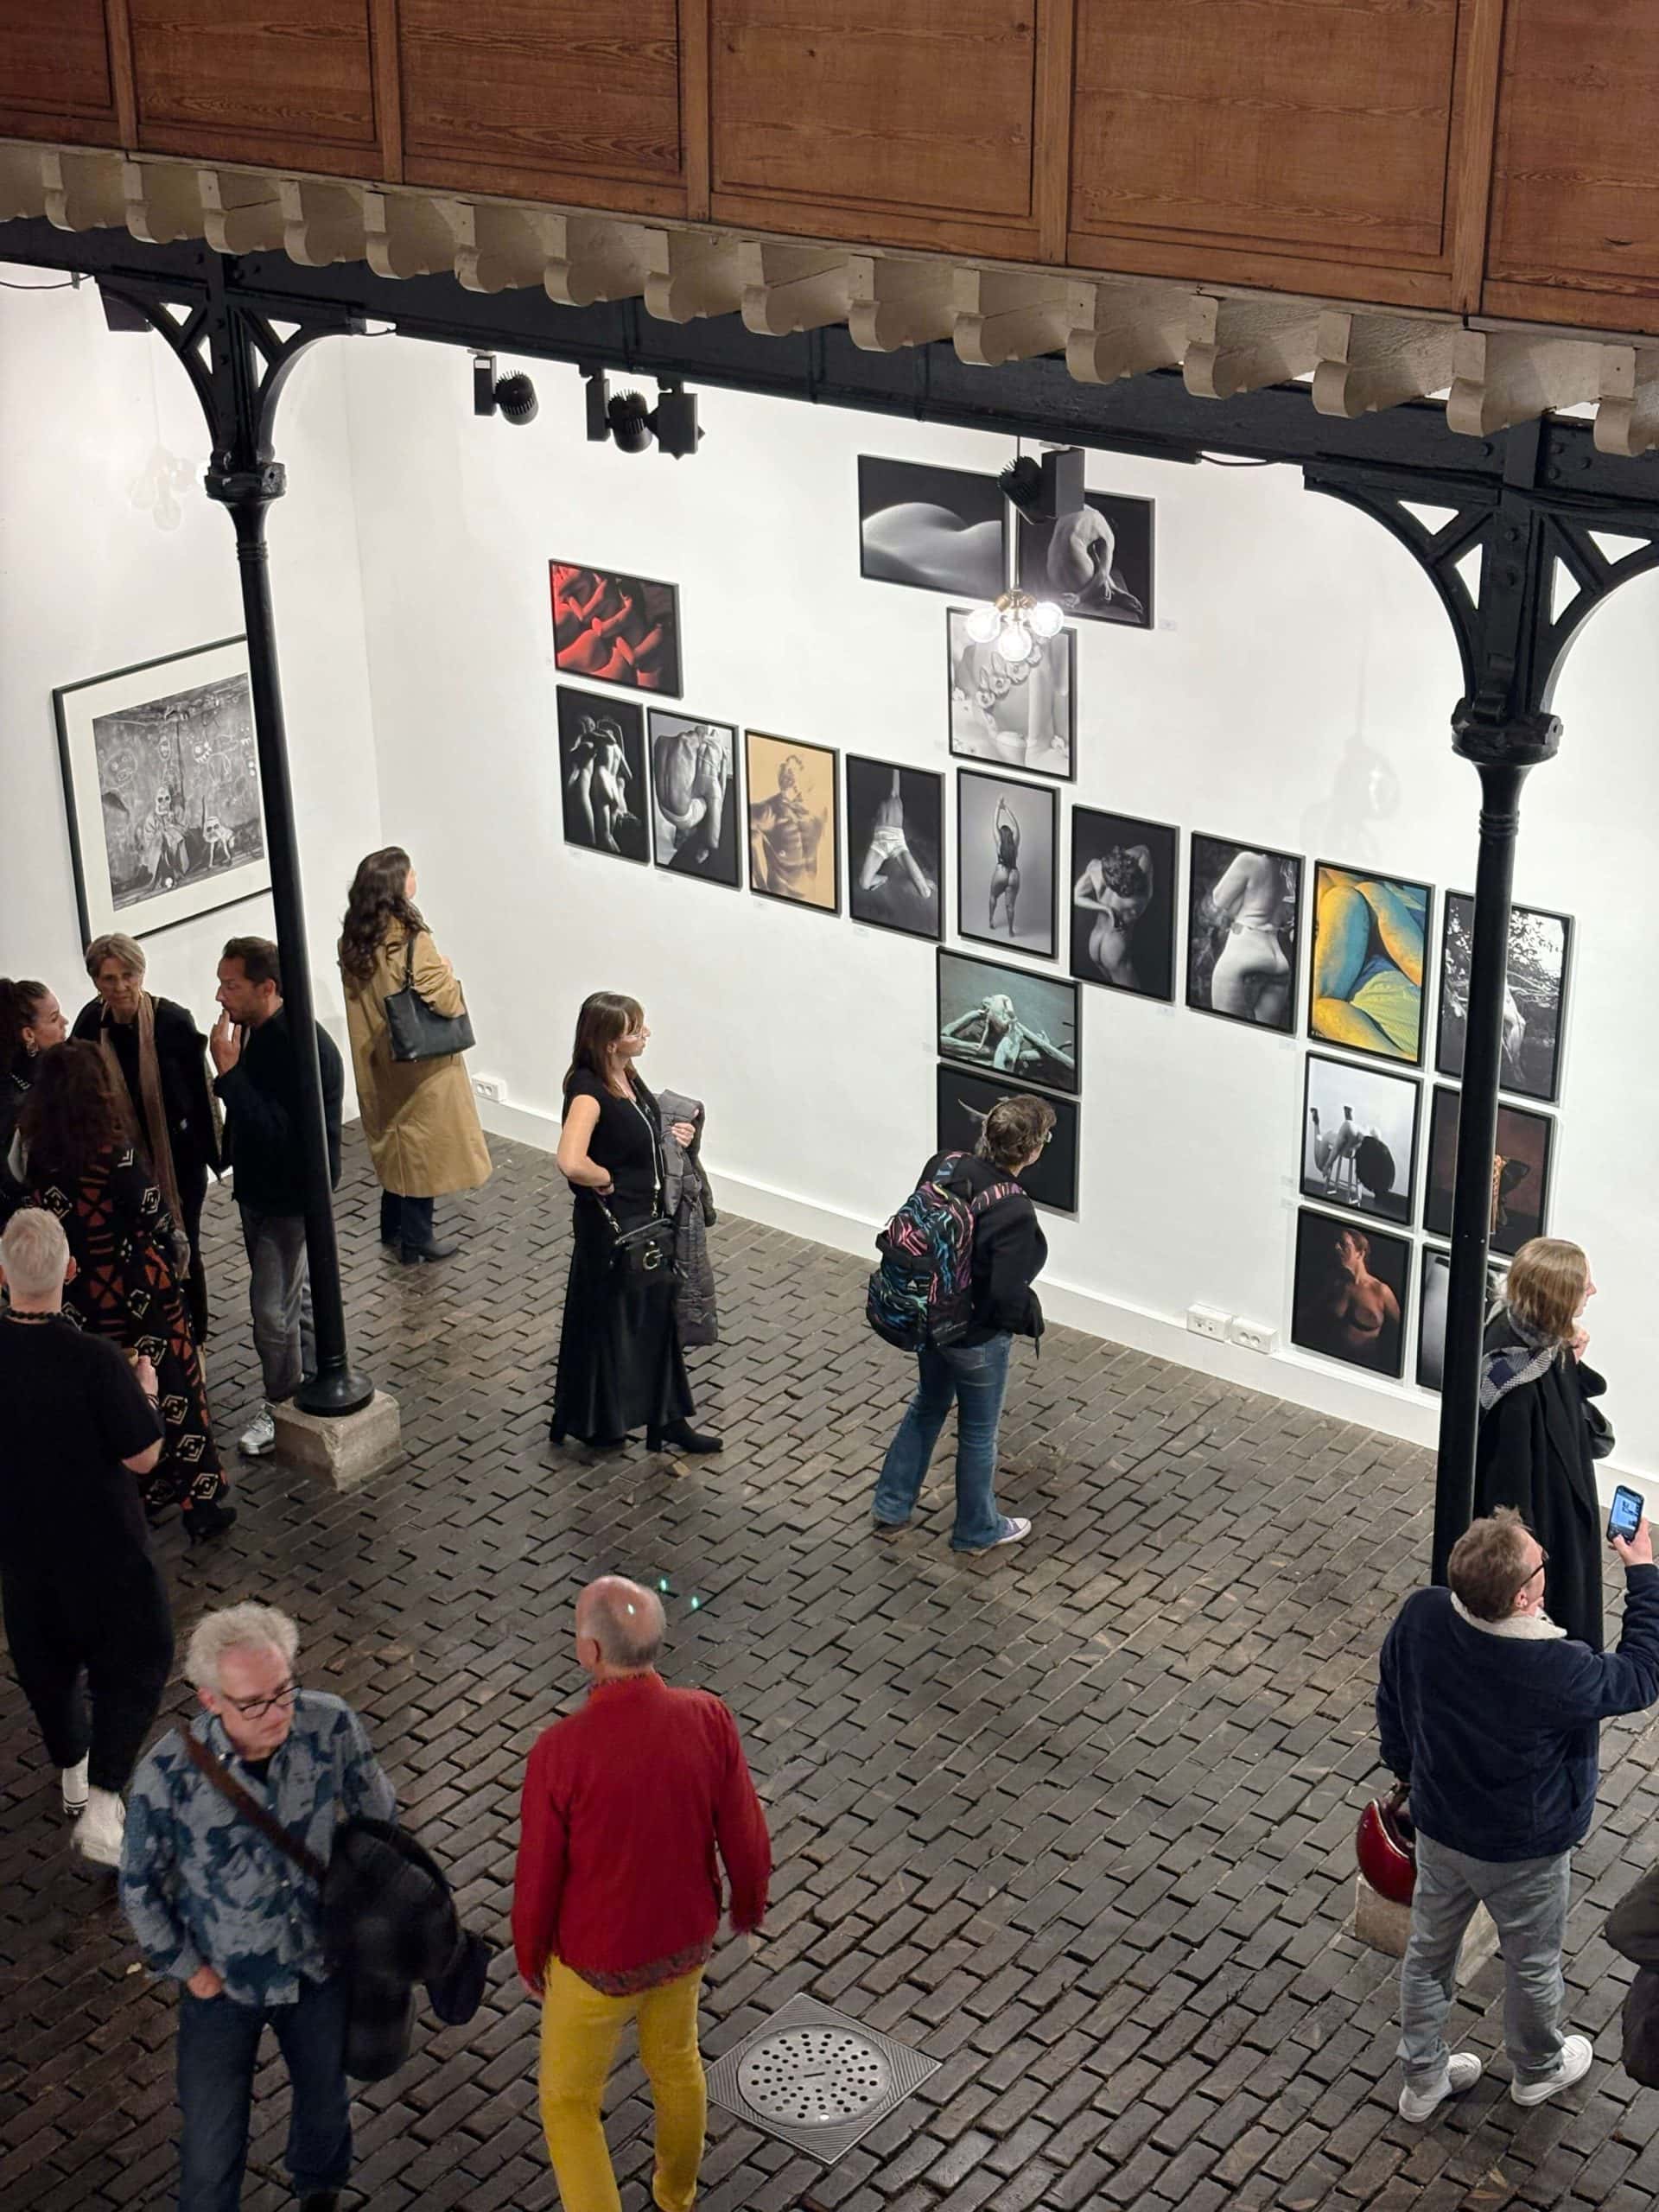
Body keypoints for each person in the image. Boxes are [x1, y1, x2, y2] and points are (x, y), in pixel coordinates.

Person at [1377, 1506, 1659, 2120]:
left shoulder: (1424, 1613)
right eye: (1541, 1562)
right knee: (1531, 1964)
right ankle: (1537, 2069)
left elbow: (1391, 1693)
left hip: (1441, 1826)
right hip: (1525, 1850)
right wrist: (1643, 1574)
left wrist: (1406, 1769)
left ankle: (1422, 2079)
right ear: (1526, 1594)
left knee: (1428, 1955)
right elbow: (1642, 1676)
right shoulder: (1555, 1669)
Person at [121, 1603, 396, 2212]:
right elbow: (140, 1888)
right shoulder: (167, 1775)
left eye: (284, 1692)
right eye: (254, 1703)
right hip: (223, 1989)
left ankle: (319, 2191)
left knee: (324, 2106)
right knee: (211, 2148)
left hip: (319, 1971)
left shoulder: (330, 1725)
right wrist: (194, 1973)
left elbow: (378, 1818)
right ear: (210, 1699)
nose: (278, 1714)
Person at [513, 1576, 771, 2212]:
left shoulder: (560, 1752)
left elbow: (540, 1872)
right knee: (677, 2063)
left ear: (589, 1653)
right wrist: (747, 1904)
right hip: (683, 1941)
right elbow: (744, 1828)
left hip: (594, 1959)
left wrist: (530, 1955)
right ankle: (675, 2195)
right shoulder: (708, 1716)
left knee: (569, 2101)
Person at [0, 1208, 173, 1868]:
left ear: (3, 1275)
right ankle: (104, 1800)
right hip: (104, 1551)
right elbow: (143, 1458)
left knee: (45, 1664)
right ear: (70, 1272)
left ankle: (71, 1768)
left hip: (22, 1551)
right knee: (136, 1658)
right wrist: (148, 1395)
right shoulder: (97, 1362)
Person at [21, 1042, 231, 1540]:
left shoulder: (39, 1160)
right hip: (141, 1295)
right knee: (176, 1388)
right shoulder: (114, 1154)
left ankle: (141, 1489)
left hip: (79, 1297)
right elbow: (157, 1217)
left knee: (110, 1394)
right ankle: (200, 1501)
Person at [871, 1093, 1052, 1553]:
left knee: (927, 1405)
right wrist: (1018, 1321)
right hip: (975, 1338)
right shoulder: (1013, 1208)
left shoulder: (943, 1166)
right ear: (1031, 1152)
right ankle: (976, 1528)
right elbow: (1004, 1295)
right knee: (977, 1432)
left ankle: (892, 1504)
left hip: (928, 1317)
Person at [550, 993, 720, 1457]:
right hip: (613, 1229)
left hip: (645, 1221)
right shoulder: (588, 1092)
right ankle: (604, 1419)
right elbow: (570, 1160)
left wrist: (675, 1134)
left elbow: (640, 1131)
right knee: (612, 1323)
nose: (644, 1035)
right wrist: (605, 1178)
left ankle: (667, 1417)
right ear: (609, 1042)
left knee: (655, 1319)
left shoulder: (626, 1076)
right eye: (634, 1030)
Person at [210, 938, 343, 1460]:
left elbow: (278, 1134)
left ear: (267, 987)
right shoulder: (256, 1033)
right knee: (295, 1295)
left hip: (289, 1197)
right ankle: (310, 1376)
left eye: (231, 985)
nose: (220, 996)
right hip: (260, 1190)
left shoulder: (298, 1047)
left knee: (270, 1308)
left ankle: (282, 1404)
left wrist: (228, 1073)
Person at [338, 847, 490, 1265]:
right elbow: (443, 999)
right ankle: (417, 1239)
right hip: (420, 1061)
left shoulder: (354, 939)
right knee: (425, 1148)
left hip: (377, 1055)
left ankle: (393, 1227)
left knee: (397, 1140)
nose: (415, 876)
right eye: (409, 872)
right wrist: (446, 969)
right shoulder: (410, 938)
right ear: (395, 885)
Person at [71, 931, 222, 1343]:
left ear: (142, 973)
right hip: (124, 1163)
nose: (120, 987)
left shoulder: (172, 1021)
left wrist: (214, 1152)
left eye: (128, 975)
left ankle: (196, 1334)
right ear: (95, 981)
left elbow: (201, 1091)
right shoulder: (88, 1025)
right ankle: (160, 1329)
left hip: (178, 1159)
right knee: (141, 1247)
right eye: (108, 978)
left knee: (183, 1239)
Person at [1473, 1237, 1611, 1650]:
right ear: (1560, 1297)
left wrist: (1570, 1354)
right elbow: (1509, 1497)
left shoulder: (1535, 1342)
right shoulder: (1516, 1388)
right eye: (1584, 1285)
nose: (1593, 1291)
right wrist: (1529, 1579)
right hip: (1549, 1538)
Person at [1195, 849, 1293, 1025]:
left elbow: (1214, 907)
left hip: (1244, 954)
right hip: (1279, 961)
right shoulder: (1290, 870)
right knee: (1263, 1041)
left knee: (1228, 1036)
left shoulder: (1249, 861)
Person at [0, 975, 68, 1220]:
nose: (65, 1022)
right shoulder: (13, 1102)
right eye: (54, 1018)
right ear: (29, 1034)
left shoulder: (46, 1075)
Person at [1074, 845, 1153, 988]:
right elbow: (1144, 851)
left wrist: (1106, 908)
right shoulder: (1139, 897)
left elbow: (1076, 896)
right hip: (1114, 948)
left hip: (1094, 941)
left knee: (1113, 992)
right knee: (1133, 1002)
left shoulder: (1095, 867)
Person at [857, 767, 934, 904]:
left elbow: (895, 770)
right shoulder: (877, 799)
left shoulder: (895, 795)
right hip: (878, 843)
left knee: (926, 893)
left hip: (897, 843)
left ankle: (919, 878)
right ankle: (882, 879)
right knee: (864, 884)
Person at [988, 797, 1020, 937]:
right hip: (1014, 873)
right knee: (1010, 905)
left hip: (1001, 872)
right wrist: (1006, 808)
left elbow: (994, 823)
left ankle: (991, 920)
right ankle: (1010, 931)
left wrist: (998, 806)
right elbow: (1016, 825)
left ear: (1001, 834)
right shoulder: (1015, 842)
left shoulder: (999, 842)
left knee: (993, 896)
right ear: (1011, 834)